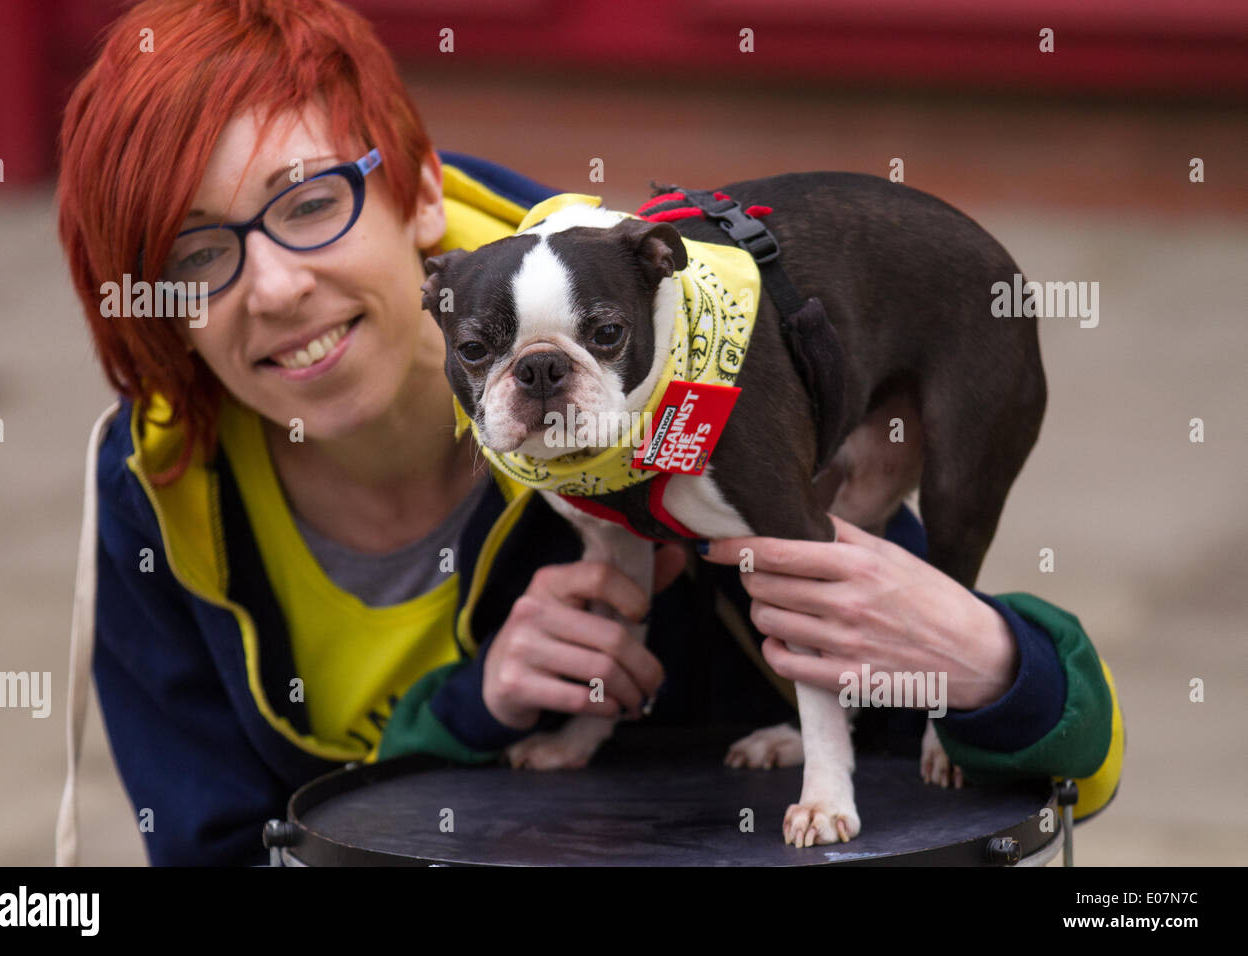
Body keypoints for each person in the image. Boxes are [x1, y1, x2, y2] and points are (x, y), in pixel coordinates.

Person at [54, 0, 1123, 866]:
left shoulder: (692, 366)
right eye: (198, 253)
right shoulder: (153, 485)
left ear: (421, 191)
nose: (276, 285)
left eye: (308, 203)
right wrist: (468, 714)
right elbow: (219, 848)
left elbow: (1075, 761)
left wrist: (994, 664)